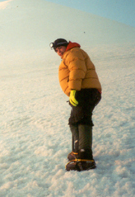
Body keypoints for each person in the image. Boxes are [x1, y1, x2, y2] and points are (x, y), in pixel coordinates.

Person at [50, 38, 102, 171]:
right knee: (74, 121)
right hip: (81, 91)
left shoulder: (73, 52)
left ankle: (85, 158)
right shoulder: (69, 55)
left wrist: (73, 89)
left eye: (59, 48)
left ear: (66, 46)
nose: (58, 52)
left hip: (85, 91)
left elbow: (77, 70)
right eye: (56, 50)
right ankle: (78, 151)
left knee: (82, 120)